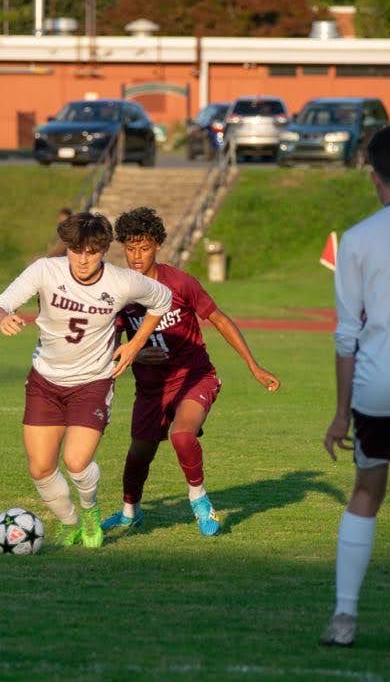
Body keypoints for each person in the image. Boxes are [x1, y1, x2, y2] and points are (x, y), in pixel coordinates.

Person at [0, 212, 172, 549]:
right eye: (75, 250)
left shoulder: (122, 281)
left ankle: (89, 511)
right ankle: (69, 522)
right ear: (67, 247)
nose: (83, 260)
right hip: (45, 382)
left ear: (104, 251)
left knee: (76, 461)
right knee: (41, 468)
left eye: (92, 252)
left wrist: (134, 345)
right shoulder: (45, 271)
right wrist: (3, 319)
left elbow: (163, 299)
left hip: (92, 382)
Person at [102, 207, 280, 537]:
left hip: (194, 378)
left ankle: (199, 500)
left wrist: (253, 365)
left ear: (158, 246)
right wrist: (137, 356)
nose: (137, 256)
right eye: (130, 248)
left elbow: (219, 319)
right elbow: (109, 346)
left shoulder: (179, 283)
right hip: (151, 389)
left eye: (144, 248)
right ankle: (130, 513)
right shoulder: (120, 293)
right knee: (139, 453)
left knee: (182, 435)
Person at [321, 124, 390, 650]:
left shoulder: (356, 239)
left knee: (366, 490)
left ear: (375, 178)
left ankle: (344, 617)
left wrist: (341, 414)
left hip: (379, 385)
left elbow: (346, 336)